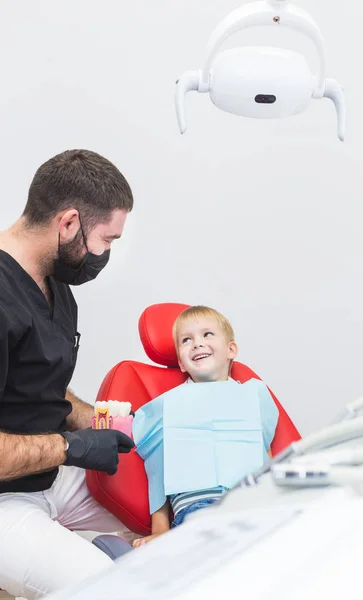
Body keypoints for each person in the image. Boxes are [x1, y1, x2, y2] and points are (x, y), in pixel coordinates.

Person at [0, 149, 137, 600]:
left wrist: (104, 422)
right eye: (108, 240)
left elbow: (39, 383)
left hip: (49, 475)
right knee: (107, 589)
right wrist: (71, 446)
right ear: (69, 222)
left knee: (180, 523)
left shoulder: (54, 277)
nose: (105, 253)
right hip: (5, 500)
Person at [132, 305, 278, 549]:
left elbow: (265, 456)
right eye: (186, 340)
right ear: (180, 361)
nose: (197, 344)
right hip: (198, 509)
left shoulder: (255, 394)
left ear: (231, 349)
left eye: (207, 334)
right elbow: (157, 469)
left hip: (252, 504)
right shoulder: (166, 406)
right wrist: (160, 530)